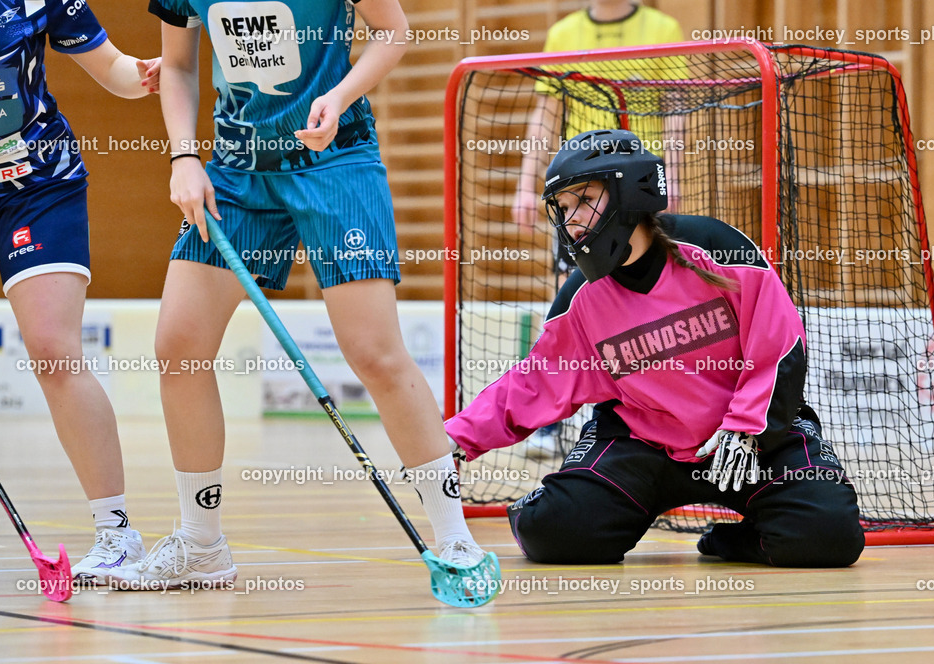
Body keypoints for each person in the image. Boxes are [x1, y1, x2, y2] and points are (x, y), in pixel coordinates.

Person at [112, 0, 490, 588]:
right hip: (236, 171)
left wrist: (338, 97)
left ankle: (455, 540)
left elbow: (394, 32)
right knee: (179, 347)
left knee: (375, 353)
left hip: (334, 161)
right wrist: (184, 155)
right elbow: (180, 66)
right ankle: (202, 543)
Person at [446, 129, 865, 567]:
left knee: (828, 535)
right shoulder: (581, 298)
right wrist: (455, 441)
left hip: (750, 439)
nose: (571, 220)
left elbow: (780, 348)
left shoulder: (718, 249)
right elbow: (534, 383)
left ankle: (730, 543)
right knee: (556, 532)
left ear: (629, 188)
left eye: (584, 200)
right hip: (642, 444)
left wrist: (747, 429)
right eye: (564, 208)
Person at [0, 1, 159, 583]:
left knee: (54, 351)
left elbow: (111, 67)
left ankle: (116, 535)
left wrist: (148, 74)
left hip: (37, 185)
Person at [513, 1, 686, 453]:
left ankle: (653, 410)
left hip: (638, 197)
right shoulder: (564, 34)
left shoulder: (663, 29)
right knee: (568, 300)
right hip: (579, 200)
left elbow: (677, 117)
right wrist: (526, 185)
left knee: (648, 303)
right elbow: (546, 114)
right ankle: (548, 421)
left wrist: (678, 177)